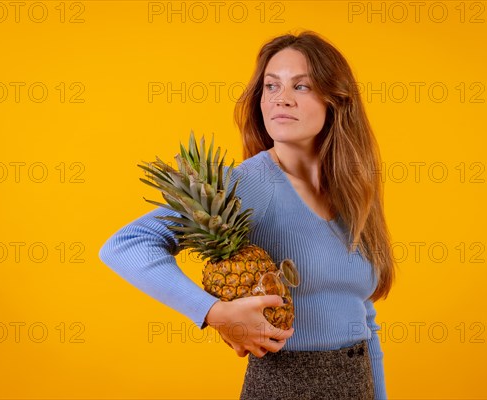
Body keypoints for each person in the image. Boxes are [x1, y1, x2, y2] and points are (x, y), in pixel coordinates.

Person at [99, 30, 395, 400]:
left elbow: (364, 316)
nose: (281, 99)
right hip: (284, 388)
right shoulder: (251, 183)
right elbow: (126, 245)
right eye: (271, 87)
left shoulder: (353, 191)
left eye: (301, 87)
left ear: (336, 100)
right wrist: (215, 313)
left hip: (357, 383)